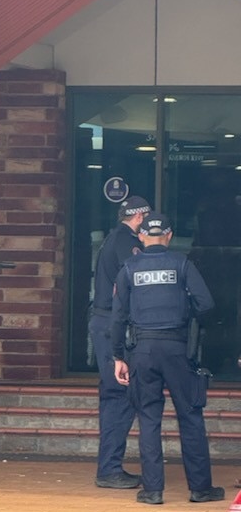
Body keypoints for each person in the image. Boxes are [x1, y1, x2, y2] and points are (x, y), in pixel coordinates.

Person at [111, 212, 225, 505]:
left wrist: (118, 356)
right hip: (177, 349)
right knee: (190, 415)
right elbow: (207, 303)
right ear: (170, 236)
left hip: (142, 351)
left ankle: (153, 490)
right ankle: (200, 489)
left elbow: (118, 317)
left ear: (141, 236)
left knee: (148, 418)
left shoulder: (129, 268)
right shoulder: (182, 263)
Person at [89, 195, 151, 489]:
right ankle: (110, 469)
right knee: (119, 395)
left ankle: (109, 466)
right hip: (113, 325)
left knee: (114, 395)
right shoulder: (127, 242)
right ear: (139, 218)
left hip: (104, 322)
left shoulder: (113, 239)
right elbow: (137, 282)